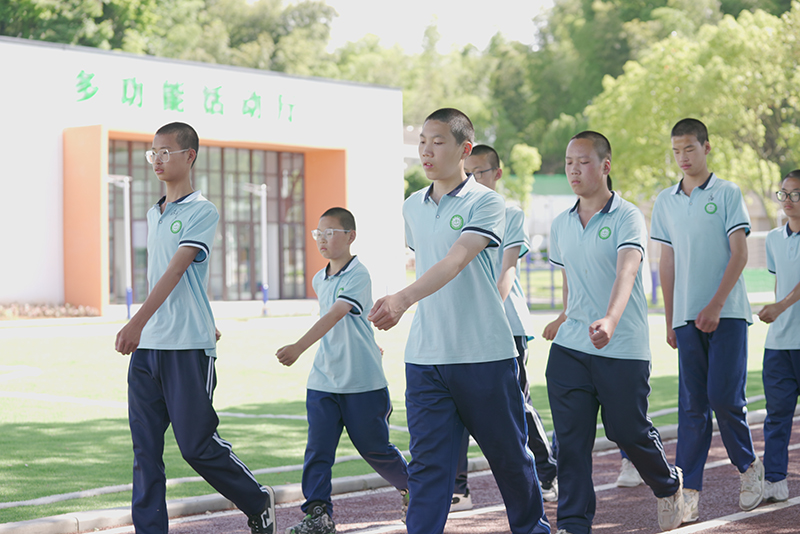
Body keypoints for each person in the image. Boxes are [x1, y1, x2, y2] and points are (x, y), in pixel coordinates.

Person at [368, 108, 550, 534]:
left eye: (438, 142)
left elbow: (455, 259)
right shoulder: (412, 207)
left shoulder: (487, 202)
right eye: (422, 142)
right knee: (429, 466)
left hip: (484, 354)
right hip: (426, 357)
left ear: (464, 149)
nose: (426, 151)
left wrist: (402, 300)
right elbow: (428, 262)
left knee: (510, 459)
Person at [115, 122, 276, 534]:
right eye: (153, 152)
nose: (157, 159)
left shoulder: (202, 210)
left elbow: (176, 271)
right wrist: (148, 327)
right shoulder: (154, 212)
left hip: (186, 347)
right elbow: (171, 279)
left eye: (166, 151)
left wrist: (137, 321)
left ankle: (256, 500)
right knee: (145, 451)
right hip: (149, 349)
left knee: (196, 446)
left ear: (189, 156)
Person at [545, 131, 684, 534]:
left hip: (621, 345)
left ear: (605, 166)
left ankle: (667, 483)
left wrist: (610, 319)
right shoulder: (561, 223)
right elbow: (571, 277)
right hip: (571, 346)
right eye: (569, 162)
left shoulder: (627, 216)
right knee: (570, 441)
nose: (574, 170)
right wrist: (564, 314)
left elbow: (628, 270)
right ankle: (573, 522)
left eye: (583, 162)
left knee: (627, 431)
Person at [650, 118, 763, 524]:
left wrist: (715, 305)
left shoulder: (727, 193)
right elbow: (667, 262)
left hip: (727, 313)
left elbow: (740, 255)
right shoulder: (665, 201)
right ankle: (690, 490)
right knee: (692, 407)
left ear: (706, 147)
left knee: (724, 398)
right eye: (676, 150)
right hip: (685, 317)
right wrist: (669, 318)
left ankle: (749, 468)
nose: (682, 157)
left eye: (689, 149)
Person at [276, 207, 409, 533]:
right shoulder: (319, 278)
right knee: (318, 450)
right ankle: (318, 515)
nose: (322, 239)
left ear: (351, 236)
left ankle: (415, 488)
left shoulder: (358, 274)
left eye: (330, 233)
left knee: (375, 448)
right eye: (318, 234)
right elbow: (345, 323)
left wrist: (298, 347)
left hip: (362, 382)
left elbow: (337, 314)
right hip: (324, 380)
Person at [458, 144, 558, 506]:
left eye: (479, 172)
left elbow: (507, 269)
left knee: (516, 403)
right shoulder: (458, 213)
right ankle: (457, 488)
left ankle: (546, 473)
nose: (472, 179)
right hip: (464, 326)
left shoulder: (509, 213)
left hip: (505, 323)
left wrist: (488, 313)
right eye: (467, 173)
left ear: (497, 174)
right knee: (457, 407)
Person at [756, 170, 800, 504]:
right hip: (778, 345)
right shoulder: (773, 239)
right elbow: (780, 281)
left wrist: (781, 307)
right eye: (783, 193)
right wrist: (777, 311)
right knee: (777, 416)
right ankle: (775, 480)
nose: (787, 200)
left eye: (795, 194)